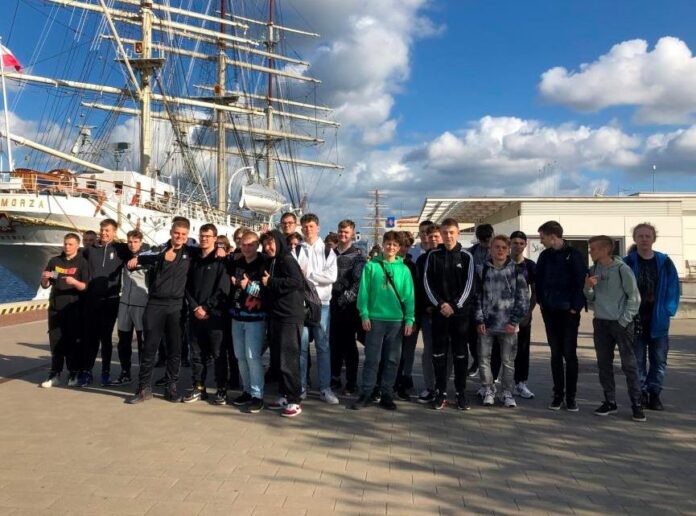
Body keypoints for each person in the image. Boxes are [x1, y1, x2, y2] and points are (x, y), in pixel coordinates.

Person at [127, 218, 194, 404]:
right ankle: (143, 388)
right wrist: (158, 257)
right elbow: (142, 257)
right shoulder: (159, 249)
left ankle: (171, 387)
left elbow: (209, 251)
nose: (179, 237)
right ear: (171, 232)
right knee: (149, 347)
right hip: (155, 304)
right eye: (176, 233)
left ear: (187, 235)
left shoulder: (190, 252)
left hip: (177, 306)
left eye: (183, 234)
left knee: (175, 349)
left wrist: (220, 247)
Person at [584, 235, 645, 422]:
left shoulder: (622, 269)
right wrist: (588, 287)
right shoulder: (593, 269)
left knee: (629, 365)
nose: (590, 252)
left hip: (620, 323)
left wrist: (624, 321)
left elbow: (634, 297)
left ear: (605, 250)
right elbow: (590, 298)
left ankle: (637, 404)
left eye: (593, 249)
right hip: (601, 323)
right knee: (604, 364)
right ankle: (610, 401)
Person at [352, 231, 415, 410]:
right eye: (388, 243)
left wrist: (409, 319)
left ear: (399, 247)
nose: (391, 247)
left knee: (392, 360)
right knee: (372, 359)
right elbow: (364, 291)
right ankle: (366, 393)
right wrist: (364, 314)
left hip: (396, 321)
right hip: (375, 319)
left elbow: (409, 296)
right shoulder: (371, 266)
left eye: (395, 245)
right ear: (383, 244)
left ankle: (387, 393)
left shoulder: (404, 270)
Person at [623, 223, 680, 411]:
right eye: (640, 236)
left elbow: (673, 287)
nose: (644, 239)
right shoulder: (627, 262)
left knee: (659, 360)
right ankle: (641, 393)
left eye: (648, 236)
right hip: (635, 319)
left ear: (654, 238)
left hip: (658, 319)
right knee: (637, 360)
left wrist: (668, 310)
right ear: (635, 238)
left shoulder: (664, 262)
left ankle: (654, 393)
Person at [423, 218, 477, 410]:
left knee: (461, 354)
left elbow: (470, 285)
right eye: (445, 233)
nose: (448, 236)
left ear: (458, 233)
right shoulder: (433, 255)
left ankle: (461, 393)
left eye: (451, 232)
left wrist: (454, 305)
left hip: (460, 316)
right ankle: (441, 392)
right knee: (438, 354)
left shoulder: (466, 256)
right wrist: (440, 304)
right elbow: (427, 283)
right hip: (439, 314)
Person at [536, 220, 587, 411]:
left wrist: (575, 307)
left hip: (568, 313)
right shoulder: (545, 256)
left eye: (542, 237)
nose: (540, 241)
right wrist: (542, 303)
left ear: (552, 237)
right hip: (550, 312)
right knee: (555, 354)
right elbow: (539, 280)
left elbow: (581, 281)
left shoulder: (574, 255)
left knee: (569, 354)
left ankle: (571, 397)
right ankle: (558, 394)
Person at [475, 235, 529, 408]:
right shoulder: (481, 270)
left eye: (504, 247)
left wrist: (514, 321)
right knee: (484, 359)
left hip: (508, 326)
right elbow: (477, 297)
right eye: (496, 247)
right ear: (490, 249)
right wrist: (479, 320)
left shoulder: (517, 271)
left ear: (508, 250)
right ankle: (488, 389)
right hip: (487, 324)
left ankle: (507, 392)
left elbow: (523, 299)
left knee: (508, 361)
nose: (500, 250)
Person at [182, 224, 230, 405]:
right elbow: (187, 286)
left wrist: (207, 308)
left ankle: (221, 389)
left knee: (218, 354)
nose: (204, 239)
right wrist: (195, 307)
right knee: (196, 354)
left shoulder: (221, 260)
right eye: (202, 236)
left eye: (208, 236)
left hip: (215, 316)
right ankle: (199, 387)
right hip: (195, 315)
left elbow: (223, 289)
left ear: (215, 238)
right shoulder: (194, 259)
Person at [80, 219, 131, 387]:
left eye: (107, 230)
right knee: (90, 338)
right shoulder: (90, 250)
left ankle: (106, 372)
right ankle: (87, 371)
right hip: (91, 300)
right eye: (102, 230)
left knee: (106, 338)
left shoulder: (121, 249)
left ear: (114, 232)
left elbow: (139, 250)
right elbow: (73, 262)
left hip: (111, 301)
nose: (103, 233)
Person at [261, 230, 305, 417]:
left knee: (289, 360)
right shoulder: (273, 260)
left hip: (289, 316)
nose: (267, 247)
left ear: (279, 242)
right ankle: (284, 395)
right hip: (277, 315)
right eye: (265, 244)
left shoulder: (286, 259)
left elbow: (296, 281)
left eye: (271, 243)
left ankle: (294, 400)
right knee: (279, 359)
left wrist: (271, 281)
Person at [296, 213, 339, 404]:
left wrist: (309, 276)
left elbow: (331, 276)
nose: (308, 230)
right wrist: (308, 277)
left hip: (323, 305)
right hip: (302, 304)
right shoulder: (296, 250)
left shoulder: (328, 251)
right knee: (302, 347)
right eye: (305, 226)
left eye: (311, 226)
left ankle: (325, 388)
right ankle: (301, 387)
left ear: (318, 227)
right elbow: (294, 276)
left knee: (323, 347)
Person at [40, 233, 89, 388]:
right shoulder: (55, 261)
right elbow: (47, 284)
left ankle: (73, 372)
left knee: (72, 341)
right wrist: (45, 279)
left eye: (70, 244)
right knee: (55, 341)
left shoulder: (82, 263)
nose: (67, 247)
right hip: (56, 308)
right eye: (65, 244)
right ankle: (55, 373)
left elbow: (85, 286)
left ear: (77, 246)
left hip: (73, 308)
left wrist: (74, 282)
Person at [228, 230, 267, 413]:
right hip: (237, 316)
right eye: (244, 244)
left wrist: (248, 286)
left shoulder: (263, 263)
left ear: (257, 245)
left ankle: (257, 395)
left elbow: (266, 292)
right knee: (240, 356)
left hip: (255, 318)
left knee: (253, 357)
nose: (247, 248)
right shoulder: (237, 262)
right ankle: (247, 390)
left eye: (251, 244)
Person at [329, 220, 366, 395]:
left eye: (346, 232)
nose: (343, 234)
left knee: (349, 345)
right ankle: (334, 378)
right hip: (330, 305)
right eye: (340, 231)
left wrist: (346, 297)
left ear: (352, 233)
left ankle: (352, 382)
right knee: (334, 344)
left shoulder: (358, 256)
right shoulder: (330, 253)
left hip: (349, 308)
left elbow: (359, 282)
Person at [416, 223, 450, 404]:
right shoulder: (423, 260)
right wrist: (427, 306)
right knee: (429, 351)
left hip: (448, 313)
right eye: (431, 237)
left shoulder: (451, 256)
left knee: (447, 351)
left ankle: (442, 387)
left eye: (437, 236)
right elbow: (419, 286)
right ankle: (430, 387)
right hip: (429, 313)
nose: (434, 239)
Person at [112, 230, 148, 386]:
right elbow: (113, 244)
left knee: (142, 343)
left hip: (141, 304)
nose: (132, 245)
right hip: (125, 304)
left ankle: (143, 375)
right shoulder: (124, 254)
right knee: (123, 341)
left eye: (135, 242)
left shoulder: (148, 256)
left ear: (141, 242)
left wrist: (140, 257)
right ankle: (125, 372)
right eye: (130, 242)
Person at [509, 231, 537, 399]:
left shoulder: (530, 266)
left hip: (523, 316)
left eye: (521, 243)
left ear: (525, 245)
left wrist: (528, 312)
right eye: (515, 243)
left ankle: (520, 383)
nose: (518, 246)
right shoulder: (502, 262)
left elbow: (535, 292)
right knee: (498, 350)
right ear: (510, 244)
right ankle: (493, 383)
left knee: (522, 350)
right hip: (503, 315)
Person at [394, 231, 419, 400]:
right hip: (388, 315)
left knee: (404, 352)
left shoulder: (411, 266)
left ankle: (401, 383)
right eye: (400, 245)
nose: (403, 248)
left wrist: (412, 317)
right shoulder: (384, 264)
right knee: (390, 353)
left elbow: (414, 294)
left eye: (406, 245)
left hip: (405, 315)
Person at [466, 223, 494, 377]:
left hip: (492, 303)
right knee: (472, 337)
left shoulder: (499, 251)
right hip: (474, 301)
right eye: (483, 240)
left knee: (491, 338)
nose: (486, 243)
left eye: (488, 239)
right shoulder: (471, 253)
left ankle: (492, 369)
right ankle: (477, 361)